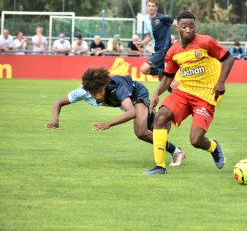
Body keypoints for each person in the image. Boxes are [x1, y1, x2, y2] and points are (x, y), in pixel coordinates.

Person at [144, 10, 235, 175]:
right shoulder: (173, 51)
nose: (188, 30)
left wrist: (221, 82)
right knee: (161, 116)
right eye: (184, 26)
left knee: (195, 140)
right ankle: (159, 166)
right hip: (184, 91)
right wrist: (157, 93)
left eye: (191, 26)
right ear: (177, 27)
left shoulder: (206, 42)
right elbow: (168, 77)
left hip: (206, 94)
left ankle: (213, 147)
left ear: (195, 26)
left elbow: (229, 58)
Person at [44, 67, 186, 166]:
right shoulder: (83, 91)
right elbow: (59, 102)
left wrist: (109, 123)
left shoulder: (115, 87)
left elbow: (131, 112)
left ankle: (176, 151)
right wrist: (55, 119)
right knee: (154, 128)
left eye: (99, 92)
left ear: (104, 85)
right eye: (93, 94)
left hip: (136, 93)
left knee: (141, 132)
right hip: (125, 103)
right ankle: (162, 120)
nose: (97, 96)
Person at [135, 0, 176, 78]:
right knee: (161, 78)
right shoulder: (147, 21)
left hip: (163, 50)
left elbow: (177, 23)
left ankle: (169, 72)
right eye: (149, 5)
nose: (151, 8)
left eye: (153, 6)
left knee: (144, 69)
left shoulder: (163, 18)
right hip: (155, 50)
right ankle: (170, 85)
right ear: (146, 7)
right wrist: (141, 42)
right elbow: (150, 36)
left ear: (156, 7)